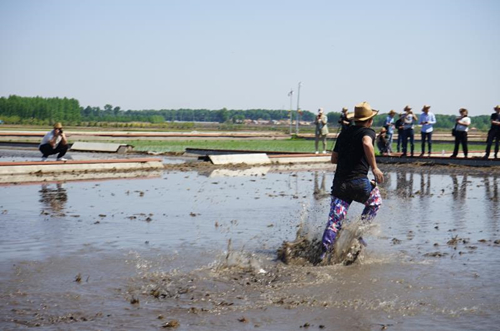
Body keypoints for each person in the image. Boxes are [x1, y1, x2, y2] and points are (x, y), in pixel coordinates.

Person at [320, 101, 384, 261]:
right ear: (370, 120)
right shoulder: (369, 132)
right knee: (375, 202)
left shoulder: (344, 133)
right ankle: (358, 233)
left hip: (340, 185)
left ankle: (322, 255)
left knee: (334, 222)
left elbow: (333, 159)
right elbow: (366, 143)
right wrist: (374, 167)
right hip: (359, 183)